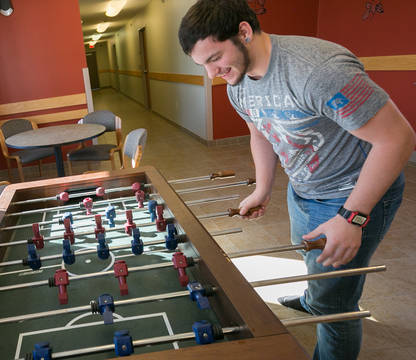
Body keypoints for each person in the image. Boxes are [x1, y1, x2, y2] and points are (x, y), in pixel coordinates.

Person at [178, 1, 415, 359]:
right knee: (311, 264)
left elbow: (397, 139)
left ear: (243, 32)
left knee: (335, 306)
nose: (212, 74)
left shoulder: (319, 70)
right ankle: (311, 298)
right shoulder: (237, 83)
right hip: (303, 190)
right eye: (203, 65)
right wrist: (262, 188)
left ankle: (322, 308)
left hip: (352, 195)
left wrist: (353, 217)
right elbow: (261, 134)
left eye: (215, 58)